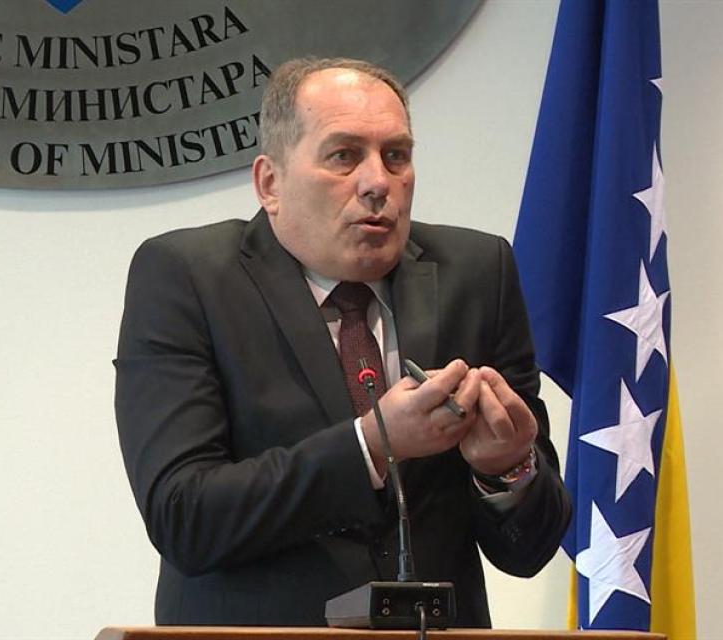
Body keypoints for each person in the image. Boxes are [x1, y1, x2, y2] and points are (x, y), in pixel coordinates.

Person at [114, 57, 571, 628]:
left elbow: (530, 550)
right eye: (344, 156)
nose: (378, 183)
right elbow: (184, 516)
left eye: (396, 156)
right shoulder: (187, 278)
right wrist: (371, 445)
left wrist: (508, 469)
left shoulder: (479, 274)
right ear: (270, 183)